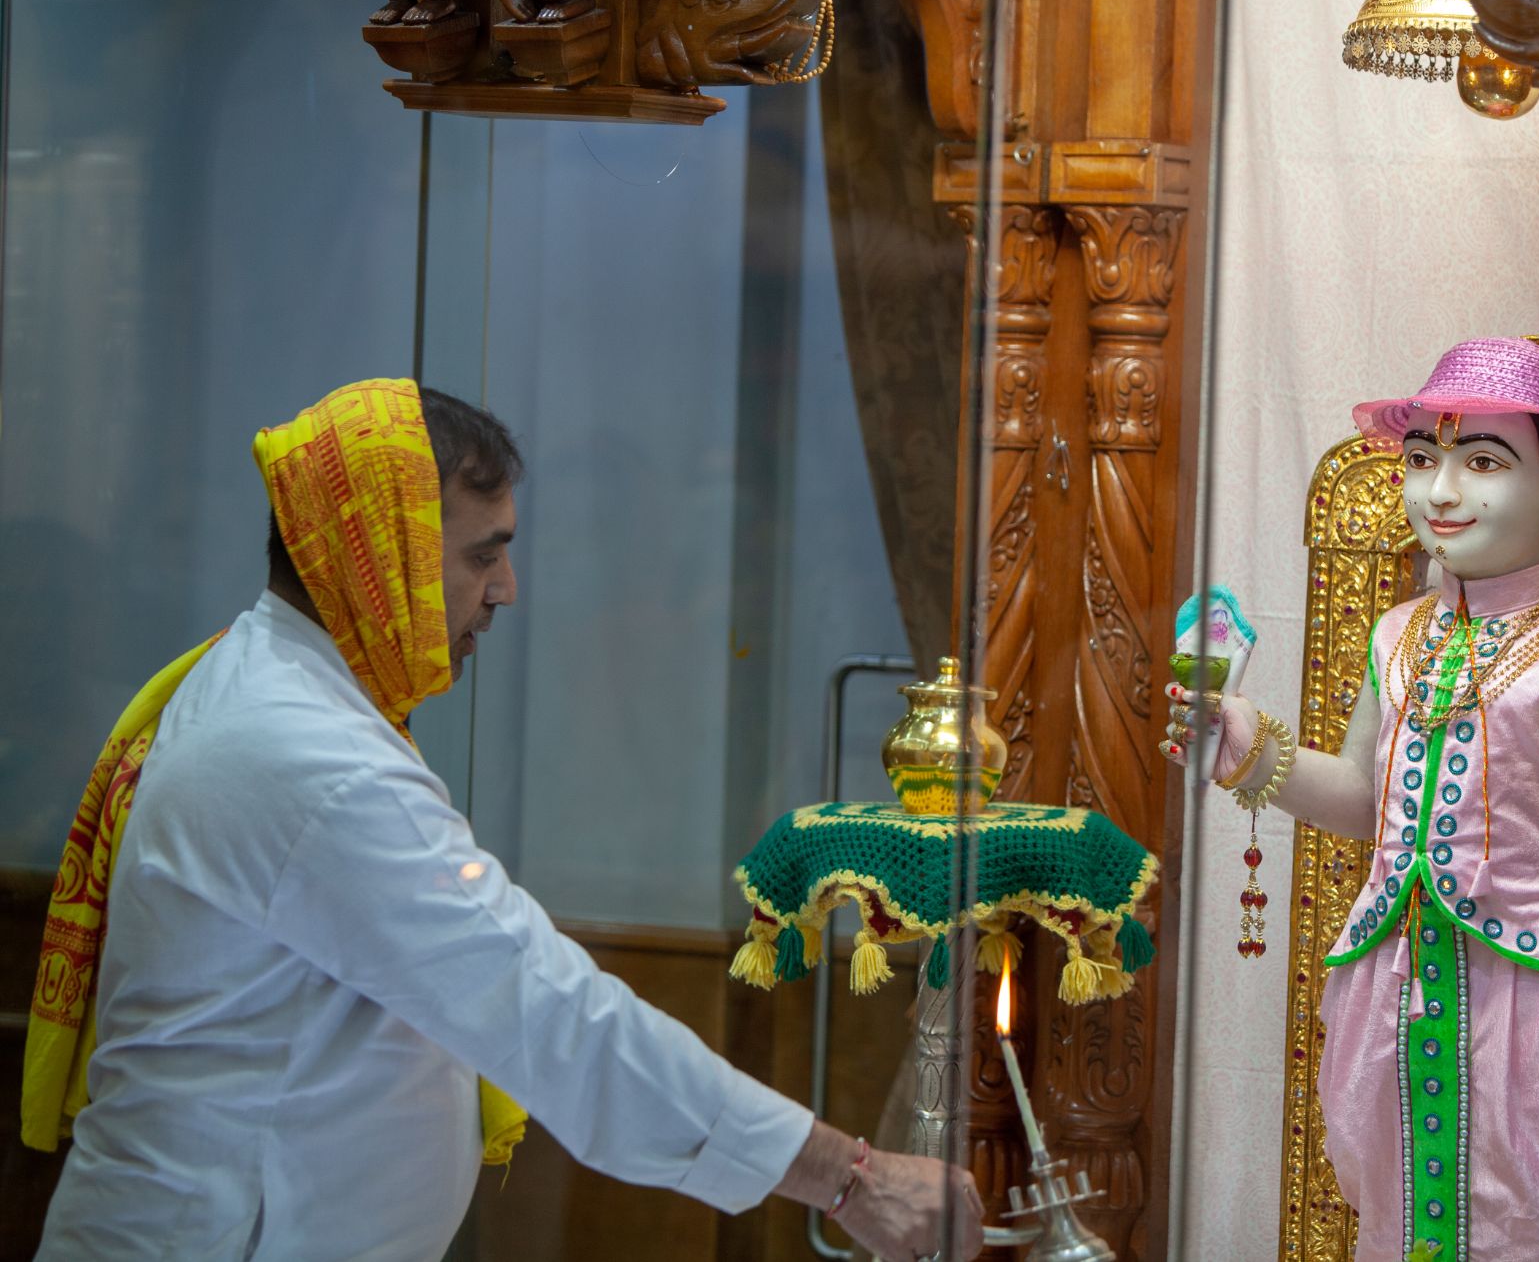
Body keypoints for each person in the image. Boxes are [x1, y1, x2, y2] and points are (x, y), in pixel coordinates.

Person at [23, 379, 980, 1262]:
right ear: (379, 554)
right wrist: (848, 1176)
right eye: (483, 553)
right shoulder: (307, 758)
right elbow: (548, 1007)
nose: (506, 589)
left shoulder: (274, 691)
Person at [1163, 339, 1539, 1262]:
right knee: (1396, 1221)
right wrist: (1253, 753)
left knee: (1538, 1224)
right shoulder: (1397, 634)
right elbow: (1368, 799)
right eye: (1422, 461)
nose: (1441, 493)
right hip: (1395, 976)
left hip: (1538, 987)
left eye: (1483, 463)